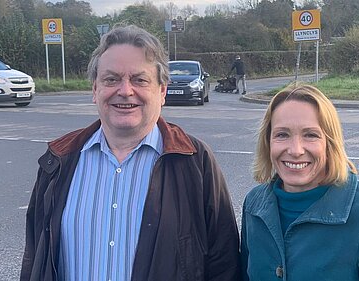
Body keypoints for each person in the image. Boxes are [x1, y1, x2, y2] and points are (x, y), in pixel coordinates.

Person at [20, 25, 241, 281]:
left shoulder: (195, 161)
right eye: (111, 79)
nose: (125, 91)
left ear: (162, 91)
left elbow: (224, 265)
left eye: (139, 79)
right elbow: (35, 260)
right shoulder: (58, 161)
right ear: (95, 90)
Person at [240, 84, 359, 281]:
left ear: (330, 143)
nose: (295, 150)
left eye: (310, 135)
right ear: (268, 141)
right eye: (282, 134)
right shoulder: (254, 205)